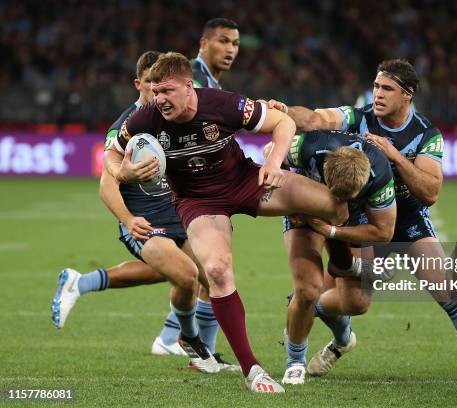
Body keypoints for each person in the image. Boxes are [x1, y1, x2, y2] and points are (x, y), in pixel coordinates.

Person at [104, 52, 348, 393]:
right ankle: (253, 371)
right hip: (199, 203)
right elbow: (111, 153)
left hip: (246, 183)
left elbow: (284, 122)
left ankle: (341, 271)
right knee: (217, 271)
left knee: (334, 206)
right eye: (155, 91)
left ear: (189, 87)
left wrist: (275, 162)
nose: (159, 99)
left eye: (167, 91)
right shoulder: (144, 118)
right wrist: (121, 171)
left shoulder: (222, 104)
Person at [269, 59, 457, 389]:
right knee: (354, 302)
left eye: (387, 89)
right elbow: (315, 119)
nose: (378, 95)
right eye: (376, 87)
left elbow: (430, 193)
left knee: (446, 286)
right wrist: (284, 113)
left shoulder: (426, 135)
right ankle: (333, 332)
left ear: (407, 95)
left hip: (405, 220)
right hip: (363, 218)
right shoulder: (358, 117)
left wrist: (395, 156)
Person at [51, 50, 235, 373]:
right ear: (139, 84)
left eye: (163, 85)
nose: (157, 91)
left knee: (213, 274)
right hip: (144, 220)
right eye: (152, 84)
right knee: (186, 274)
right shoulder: (127, 126)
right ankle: (189, 344)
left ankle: (203, 357)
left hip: (178, 213)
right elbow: (106, 186)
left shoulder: (172, 117)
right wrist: (128, 218)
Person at [263, 131, 396, 385]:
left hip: (353, 220)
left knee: (357, 303)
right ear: (326, 172)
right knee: (308, 290)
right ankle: (295, 362)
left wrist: (333, 231)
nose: (339, 202)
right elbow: (269, 152)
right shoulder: (309, 147)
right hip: (305, 210)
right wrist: (286, 198)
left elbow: (384, 231)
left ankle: (335, 332)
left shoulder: (380, 174)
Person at [155, 17, 241, 360]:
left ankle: (179, 339)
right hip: (181, 188)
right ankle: (182, 342)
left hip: (196, 185)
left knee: (206, 269)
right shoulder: (187, 77)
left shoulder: (209, 82)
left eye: (235, 43)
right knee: (208, 269)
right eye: (223, 41)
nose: (231, 49)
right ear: (204, 43)